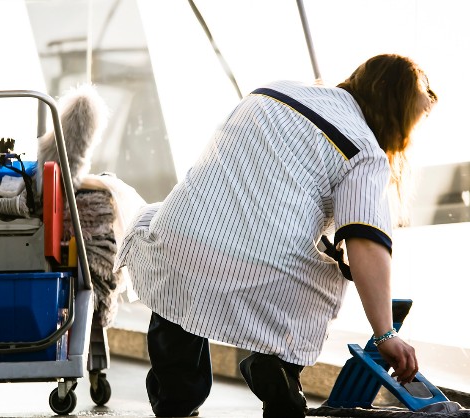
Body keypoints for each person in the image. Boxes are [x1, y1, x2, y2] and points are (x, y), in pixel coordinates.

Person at [113, 54, 438, 418]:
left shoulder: (273, 91)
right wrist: (384, 334)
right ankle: (277, 364)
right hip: (259, 273)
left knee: (179, 279)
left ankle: (178, 394)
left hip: (179, 240)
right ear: (394, 112)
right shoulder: (364, 150)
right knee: (326, 277)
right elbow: (365, 242)